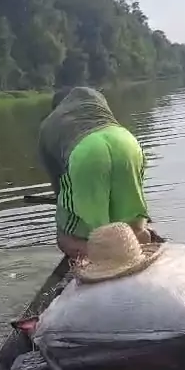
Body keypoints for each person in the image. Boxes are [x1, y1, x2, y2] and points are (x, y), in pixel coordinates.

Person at [39, 87, 151, 259]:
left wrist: (67, 216)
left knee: (68, 236)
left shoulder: (49, 125)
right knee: (132, 227)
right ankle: (141, 247)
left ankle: (101, 261)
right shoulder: (95, 102)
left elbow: (59, 184)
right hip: (126, 142)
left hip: (87, 151)